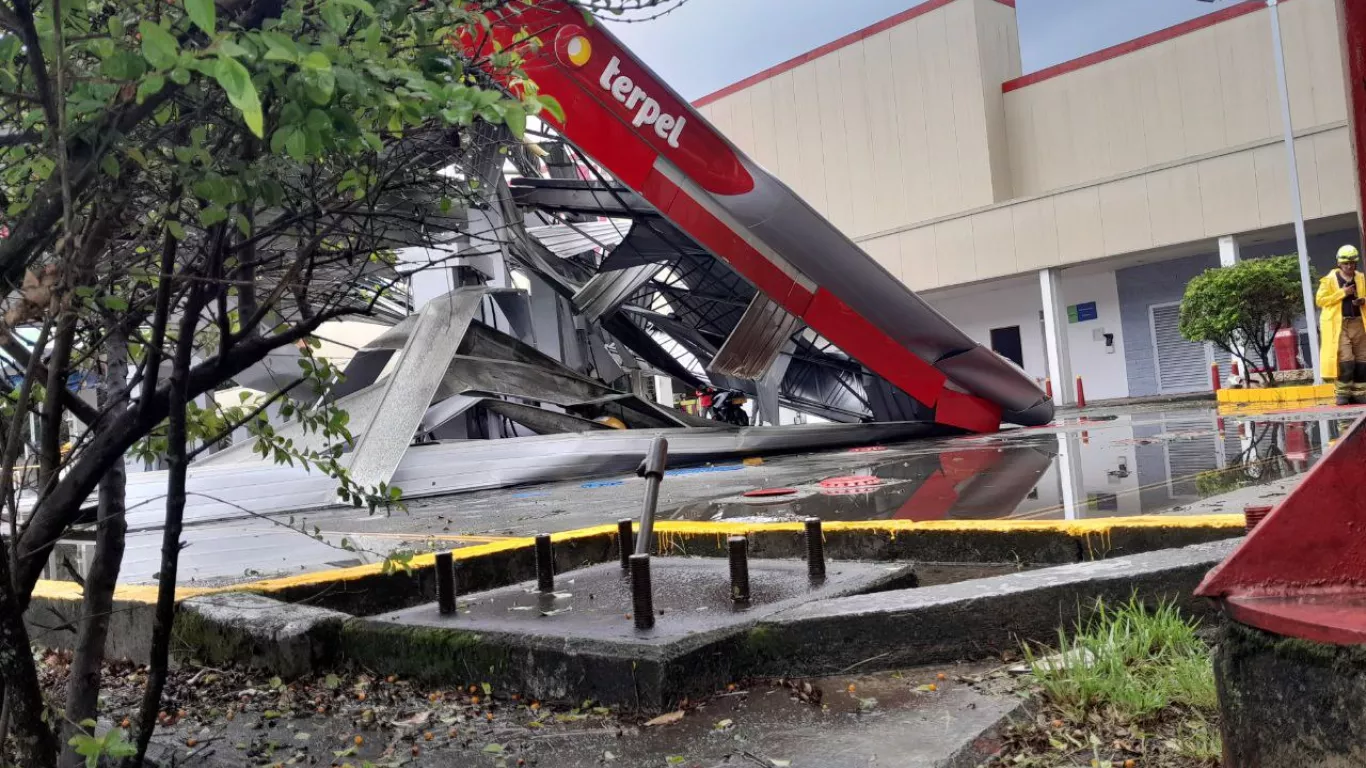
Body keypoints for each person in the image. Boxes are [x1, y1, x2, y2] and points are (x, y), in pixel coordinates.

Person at [1316, 245, 1366, 405]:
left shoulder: (1360, 277)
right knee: (1347, 360)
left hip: (1358, 323)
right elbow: (1320, 300)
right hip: (1340, 325)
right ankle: (1342, 393)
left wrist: (1362, 301)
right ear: (1339, 263)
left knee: (1362, 360)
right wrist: (1342, 293)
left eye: (1352, 263)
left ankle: (1359, 393)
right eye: (1346, 263)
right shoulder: (1330, 280)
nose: (1349, 266)